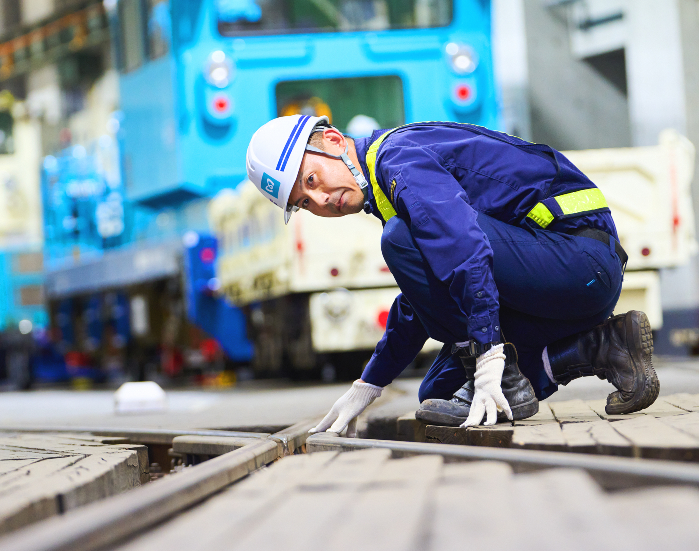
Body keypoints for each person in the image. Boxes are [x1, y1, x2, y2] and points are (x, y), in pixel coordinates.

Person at [245, 115, 659, 435]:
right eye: (305, 201)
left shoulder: (398, 159)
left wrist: (489, 351)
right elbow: (420, 300)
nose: (321, 200)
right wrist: (369, 384)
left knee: (401, 239)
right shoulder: (384, 183)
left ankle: (510, 377)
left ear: (334, 141)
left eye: (312, 179)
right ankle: (603, 346)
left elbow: (465, 249)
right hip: (553, 275)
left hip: (580, 263)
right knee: (438, 395)